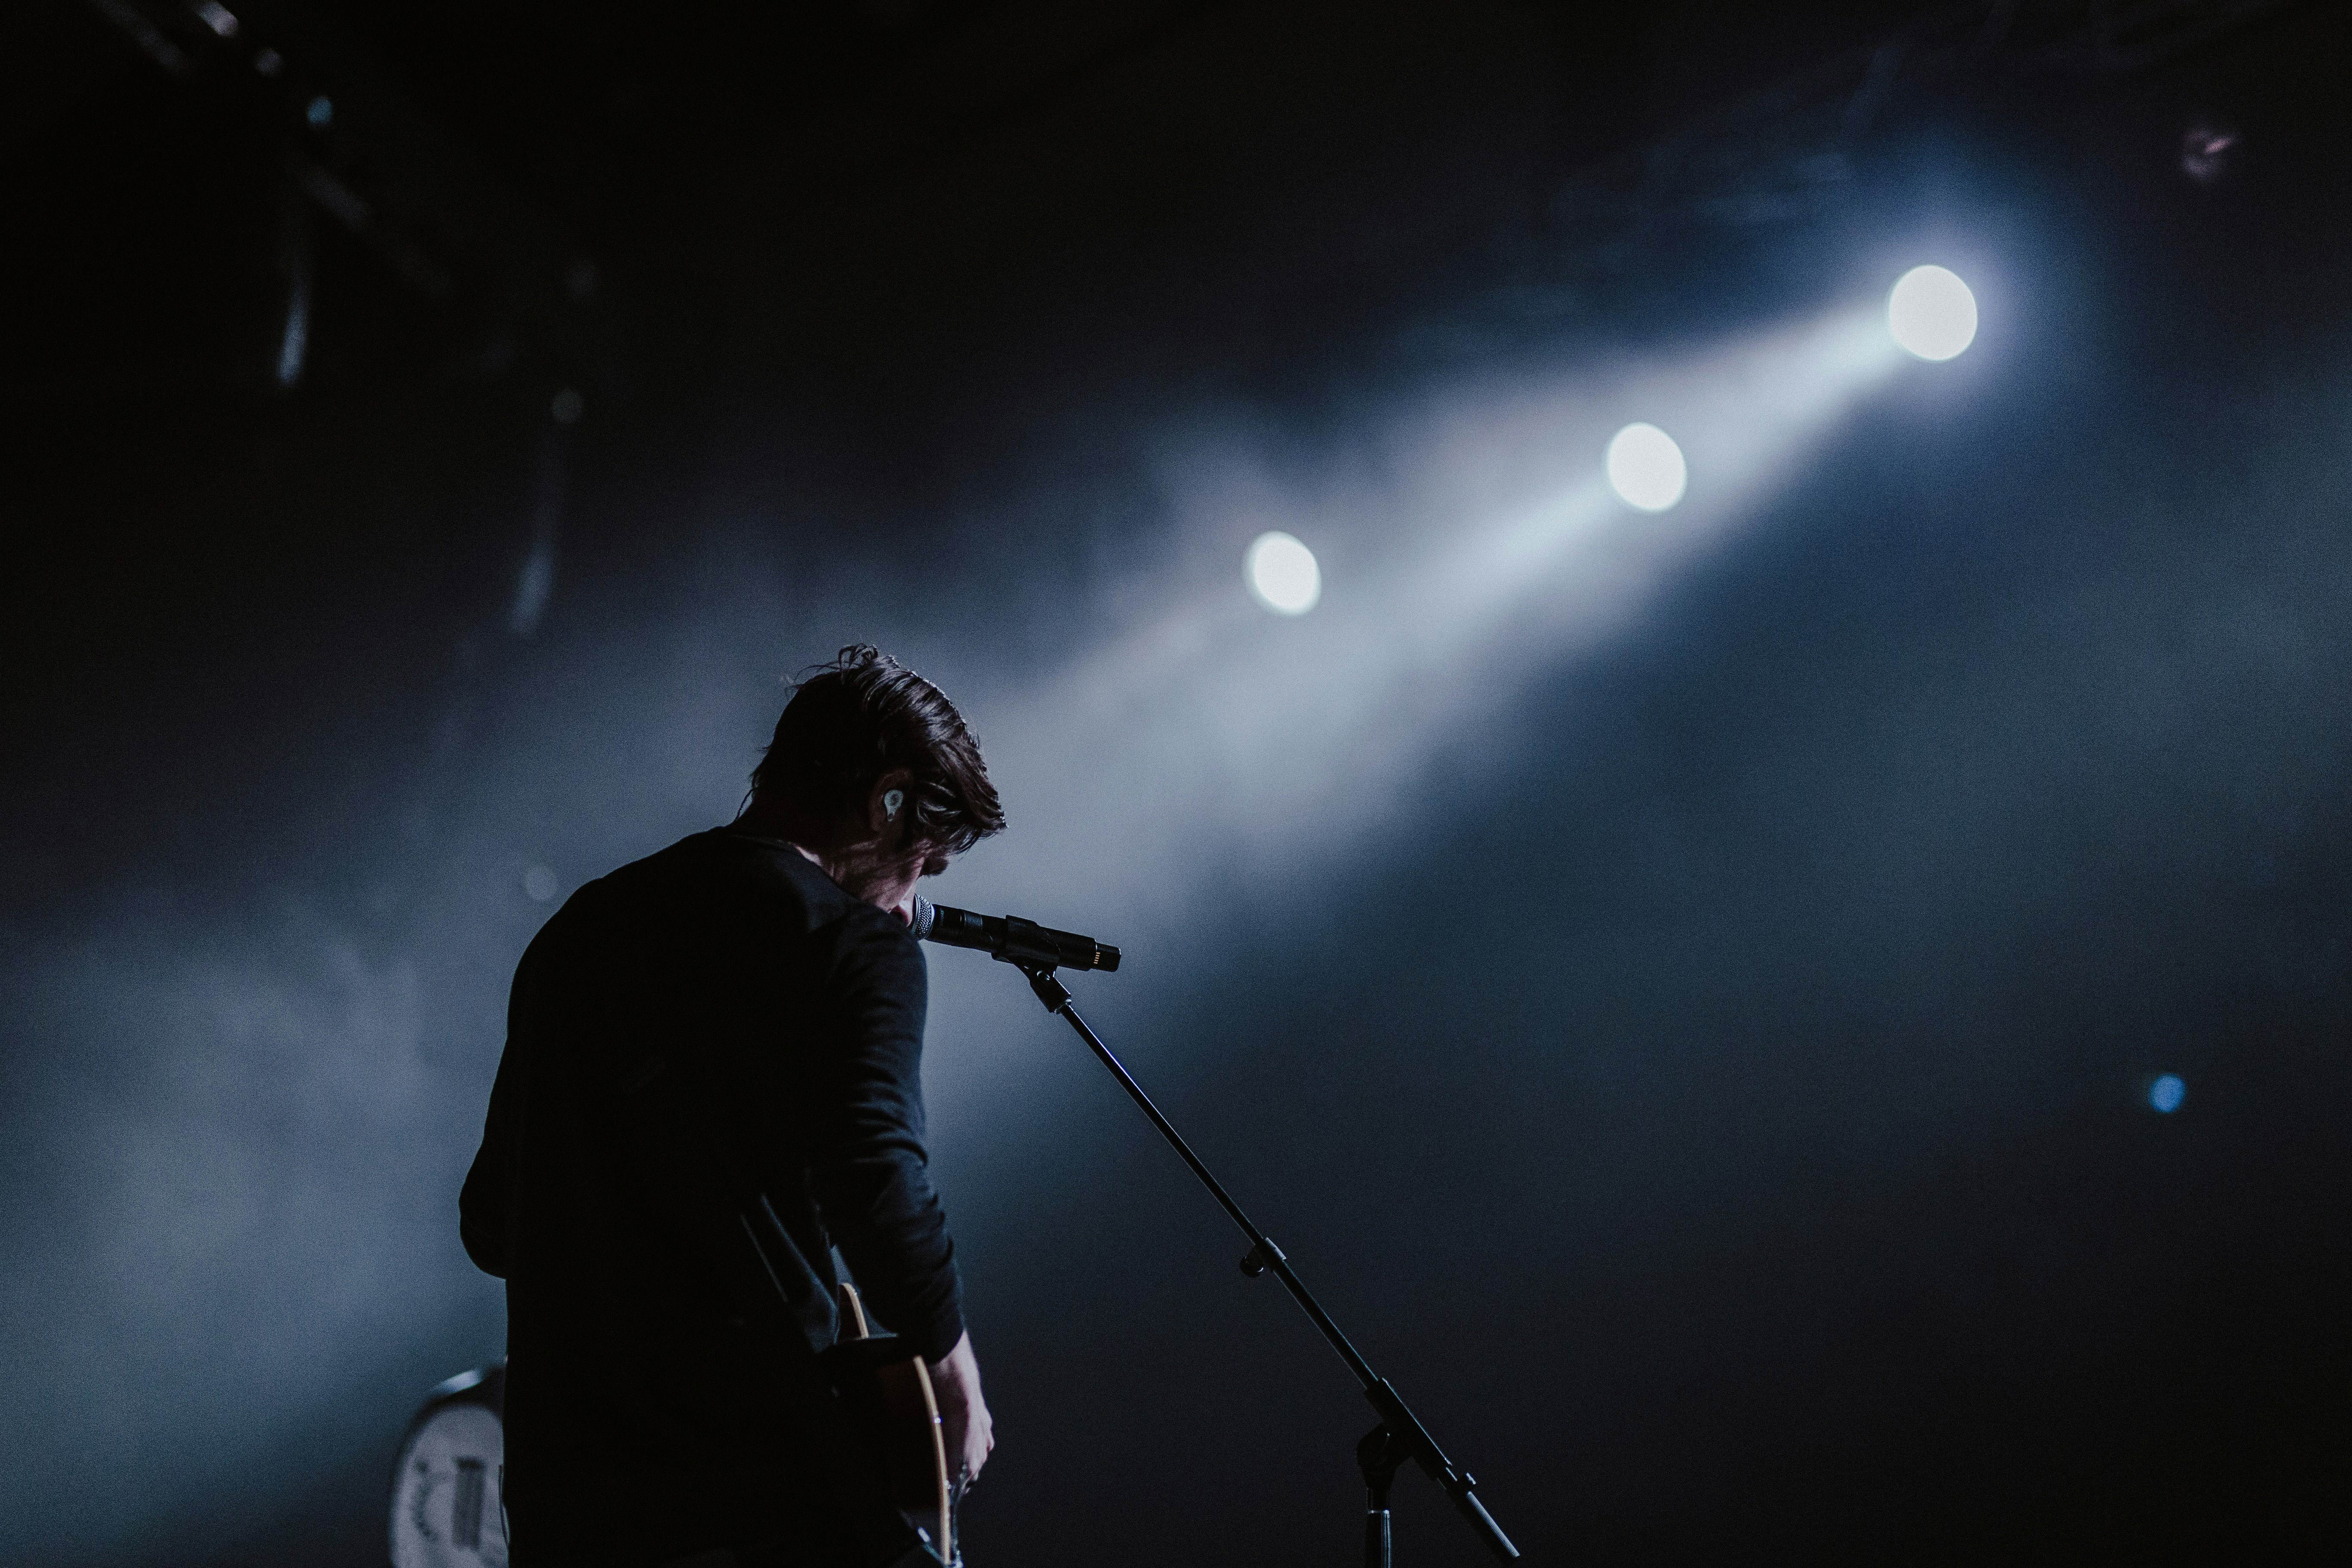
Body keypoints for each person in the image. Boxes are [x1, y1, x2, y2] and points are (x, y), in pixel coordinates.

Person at [460, 645, 1003, 1567]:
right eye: (928, 863)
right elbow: (874, 1177)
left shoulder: (582, 931)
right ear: (890, 802)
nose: (913, 900)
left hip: (570, 1505)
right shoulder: (848, 946)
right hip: (755, 1493)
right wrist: (953, 1371)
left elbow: (490, 1226)